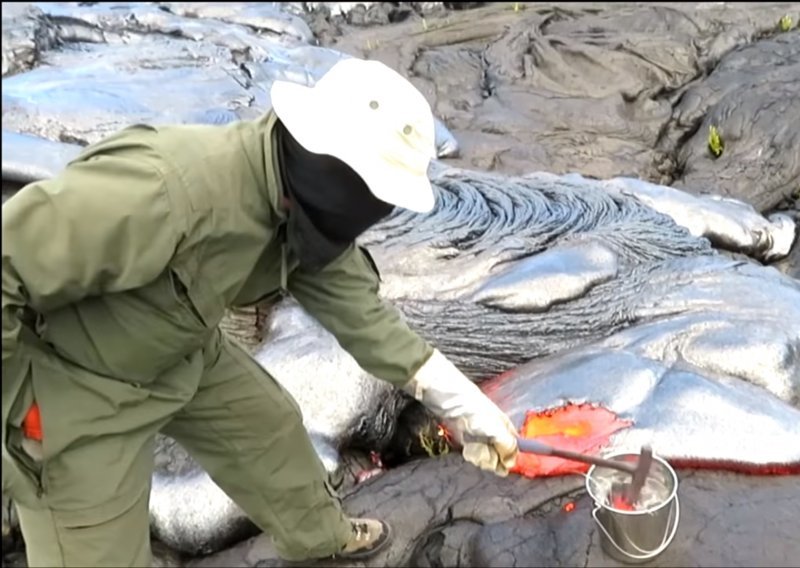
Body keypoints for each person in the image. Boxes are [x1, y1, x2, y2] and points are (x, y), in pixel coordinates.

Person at [1, 56, 519, 567]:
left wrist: (463, 405)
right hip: (76, 385)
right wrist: (15, 401)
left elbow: (366, 318)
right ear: (326, 165)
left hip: (180, 351)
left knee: (270, 433)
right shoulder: (163, 189)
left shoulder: (306, 210)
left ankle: (321, 537)